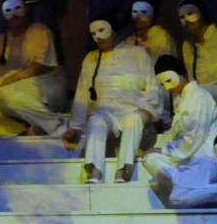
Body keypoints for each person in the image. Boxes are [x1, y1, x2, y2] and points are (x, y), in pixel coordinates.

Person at [63, 19, 165, 183]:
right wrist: (76, 126)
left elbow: (152, 86)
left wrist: (147, 108)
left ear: (114, 31)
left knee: (133, 120)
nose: (98, 37)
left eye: (101, 31)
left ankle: (123, 170)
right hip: (105, 112)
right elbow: (82, 92)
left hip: (132, 109)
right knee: (95, 121)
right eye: (93, 34)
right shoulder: (91, 58)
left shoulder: (138, 54)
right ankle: (95, 171)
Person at [0, 0, 67, 136]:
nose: (14, 15)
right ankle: (21, 134)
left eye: (18, 9)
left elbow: (43, 65)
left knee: (7, 94)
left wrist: (15, 77)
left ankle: (56, 125)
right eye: (8, 11)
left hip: (44, 82)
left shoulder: (40, 30)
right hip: (4, 87)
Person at [139, 54, 217, 208]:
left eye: (168, 81)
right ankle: (190, 188)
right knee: (149, 159)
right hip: (186, 157)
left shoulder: (199, 96)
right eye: (163, 84)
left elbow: (194, 137)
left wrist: (165, 150)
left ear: (181, 74)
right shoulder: (182, 100)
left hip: (203, 157)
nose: (167, 88)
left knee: (177, 199)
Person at [124, 0, 179, 64]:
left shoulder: (162, 36)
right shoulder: (130, 37)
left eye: (144, 12)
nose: (139, 17)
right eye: (135, 12)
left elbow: (166, 63)